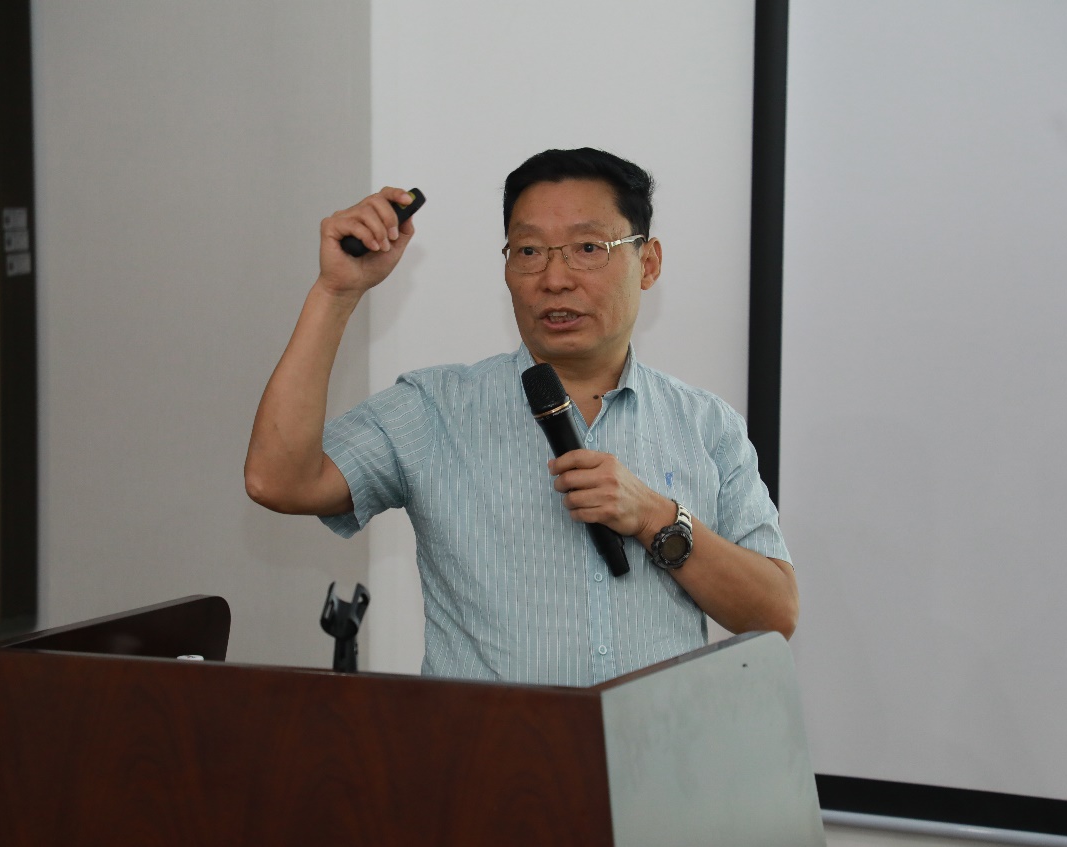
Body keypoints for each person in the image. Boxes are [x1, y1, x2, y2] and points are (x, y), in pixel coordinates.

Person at [245, 148, 798, 686]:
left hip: (655, 746)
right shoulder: (437, 408)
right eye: (529, 251)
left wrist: (656, 517)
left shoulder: (705, 424)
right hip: (492, 746)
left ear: (648, 263)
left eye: (588, 248)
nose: (555, 279)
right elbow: (279, 481)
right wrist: (336, 291)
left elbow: (774, 613)